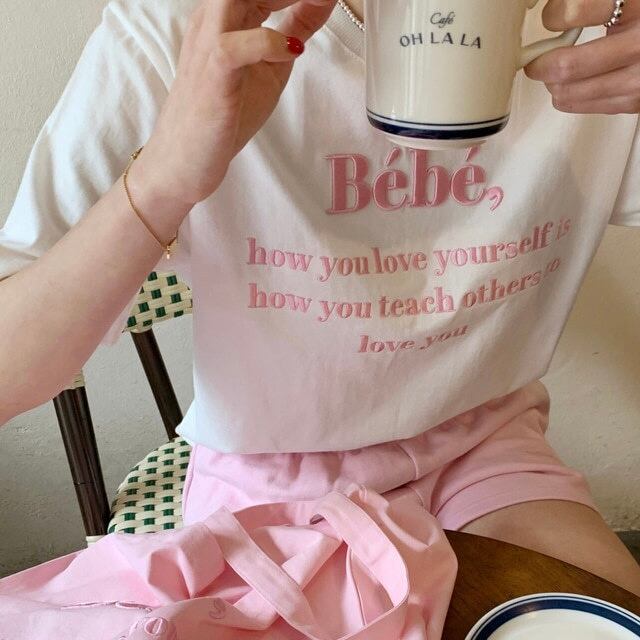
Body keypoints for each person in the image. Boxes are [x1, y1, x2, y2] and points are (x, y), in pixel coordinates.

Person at [0, 0, 639, 597]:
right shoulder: (185, 26)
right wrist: (165, 177)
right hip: (269, 473)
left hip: (487, 444)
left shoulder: (603, 28)